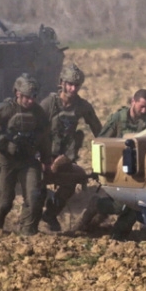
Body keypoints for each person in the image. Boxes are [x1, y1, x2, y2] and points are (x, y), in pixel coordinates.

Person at [0, 74, 52, 235]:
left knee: (34, 197)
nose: (31, 101)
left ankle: (28, 231)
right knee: (4, 202)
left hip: (29, 160)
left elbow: (44, 136)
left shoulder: (38, 113)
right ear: (17, 93)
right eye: (27, 97)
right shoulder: (4, 109)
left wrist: (46, 160)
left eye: (34, 97)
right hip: (6, 159)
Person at [87, 89, 146, 239]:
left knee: (136, 205)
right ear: (133, 102)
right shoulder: (118, 119)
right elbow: (101, 142)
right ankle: (97, 205)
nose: (144, 110)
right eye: (142, 106)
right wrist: (98, 168)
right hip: (118, 169)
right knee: (120, 206)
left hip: (140, 170)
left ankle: (118, 236)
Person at [38, 63, 102, 232]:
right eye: (70, 85)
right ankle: (30, 218)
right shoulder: (49, 104)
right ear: (62, 83)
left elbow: (99, 131)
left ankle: (50, 214)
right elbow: (34, 129)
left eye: (76, 86)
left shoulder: (82, 106)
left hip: (64, 159)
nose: (73, 89)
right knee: (34, 188)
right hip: (42, 157)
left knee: (73, 181)